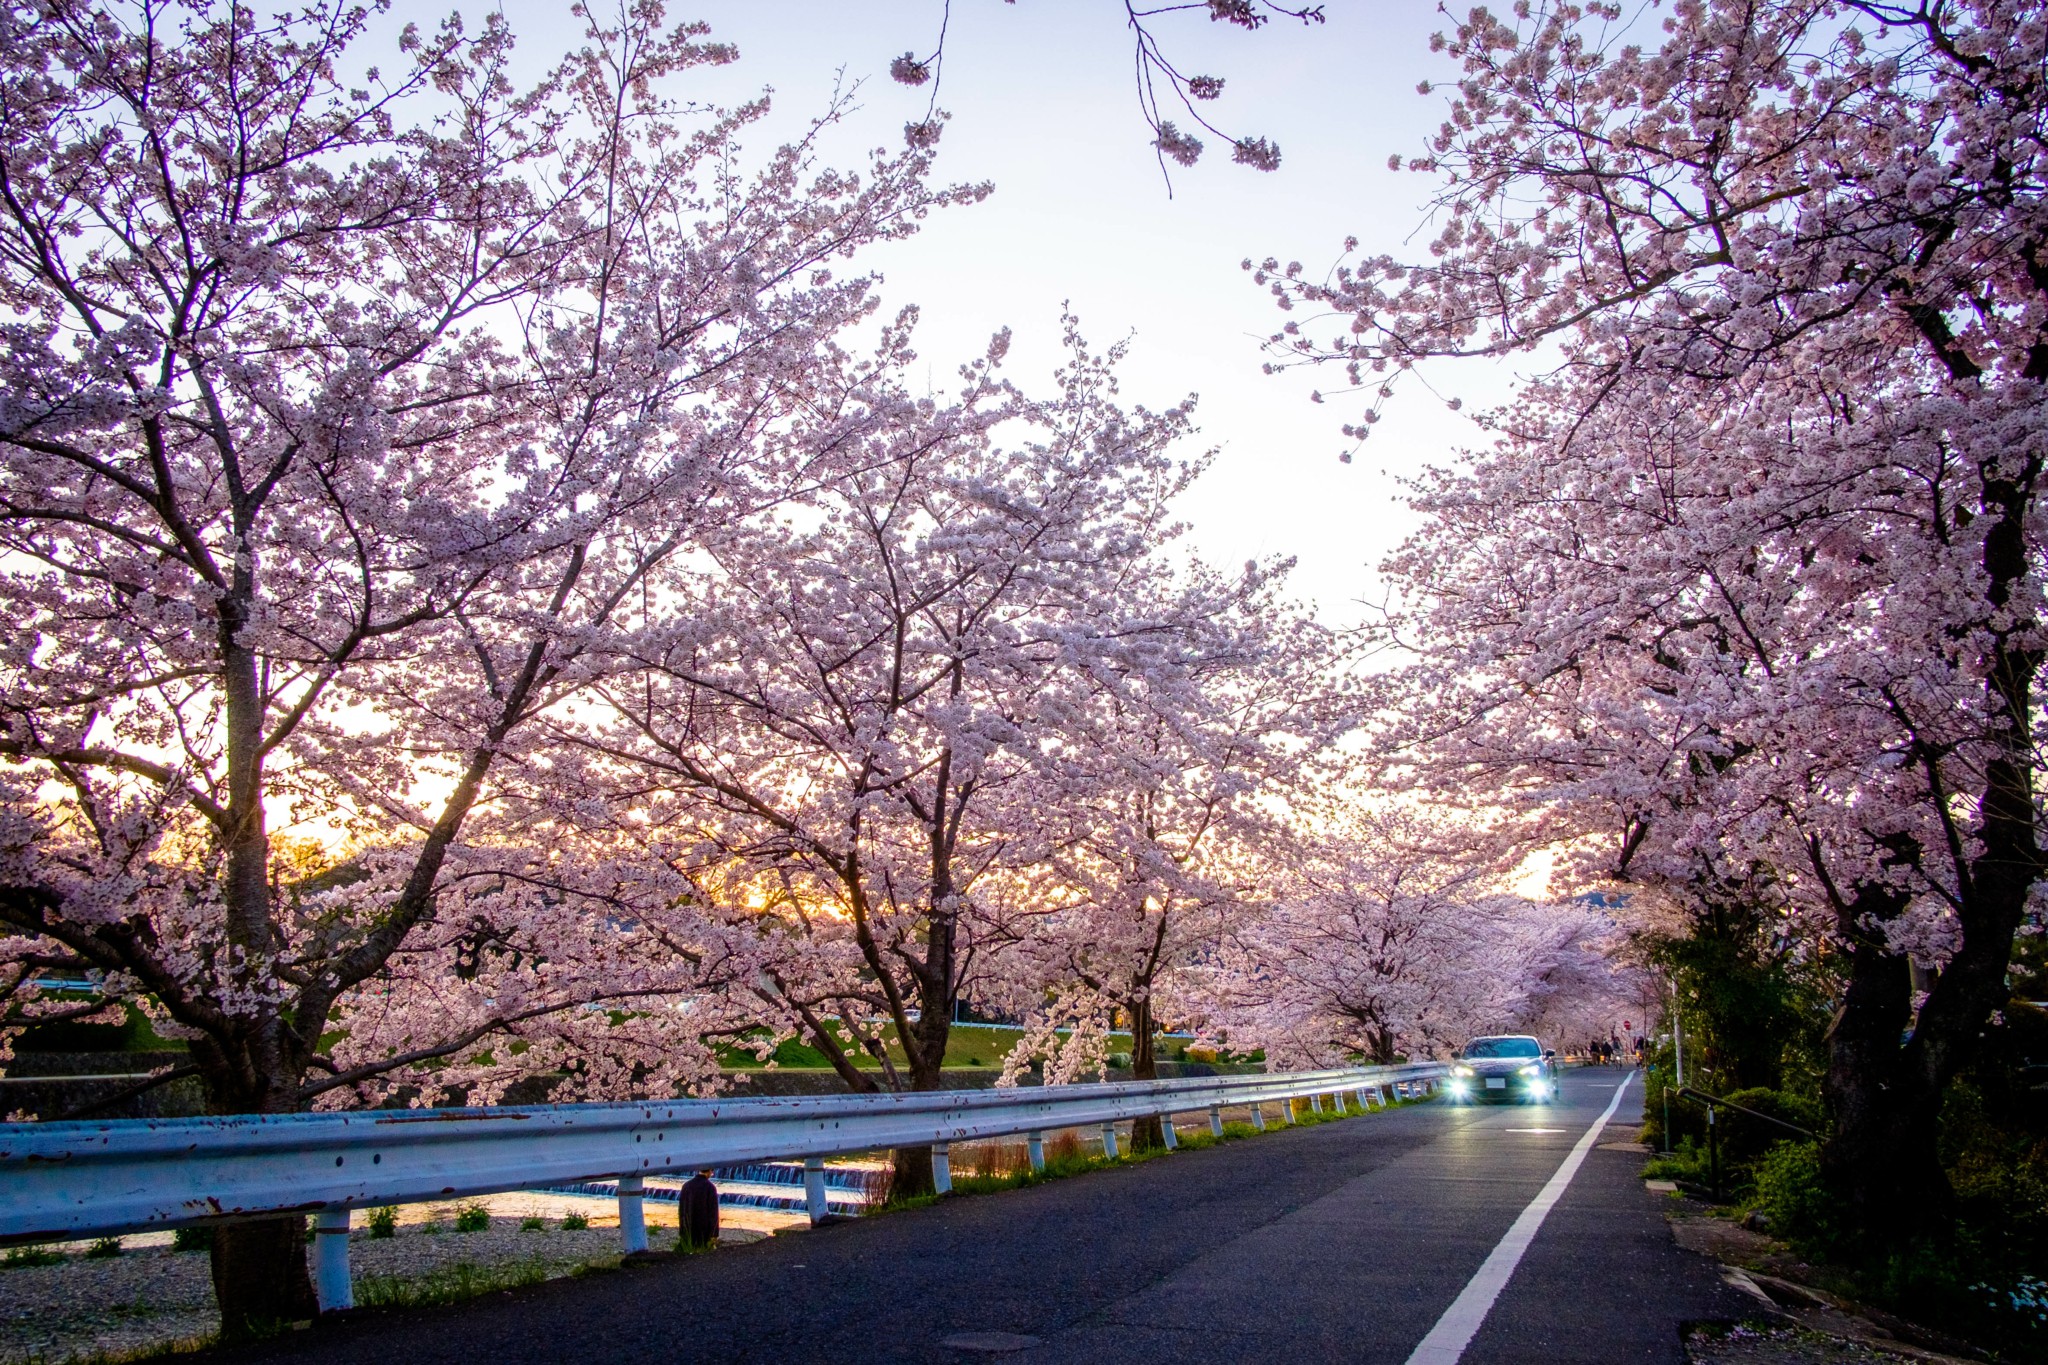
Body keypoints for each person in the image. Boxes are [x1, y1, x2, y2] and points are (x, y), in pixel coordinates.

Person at [680, 1169, 719, 1250]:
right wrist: (714, 1233)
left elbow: (681, 1209)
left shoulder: (686, 1185)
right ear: (710, 1171)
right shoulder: (710, 1187)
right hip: (704, 1229)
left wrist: (682, 1229)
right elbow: (713, 1212)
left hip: (688, 1226)